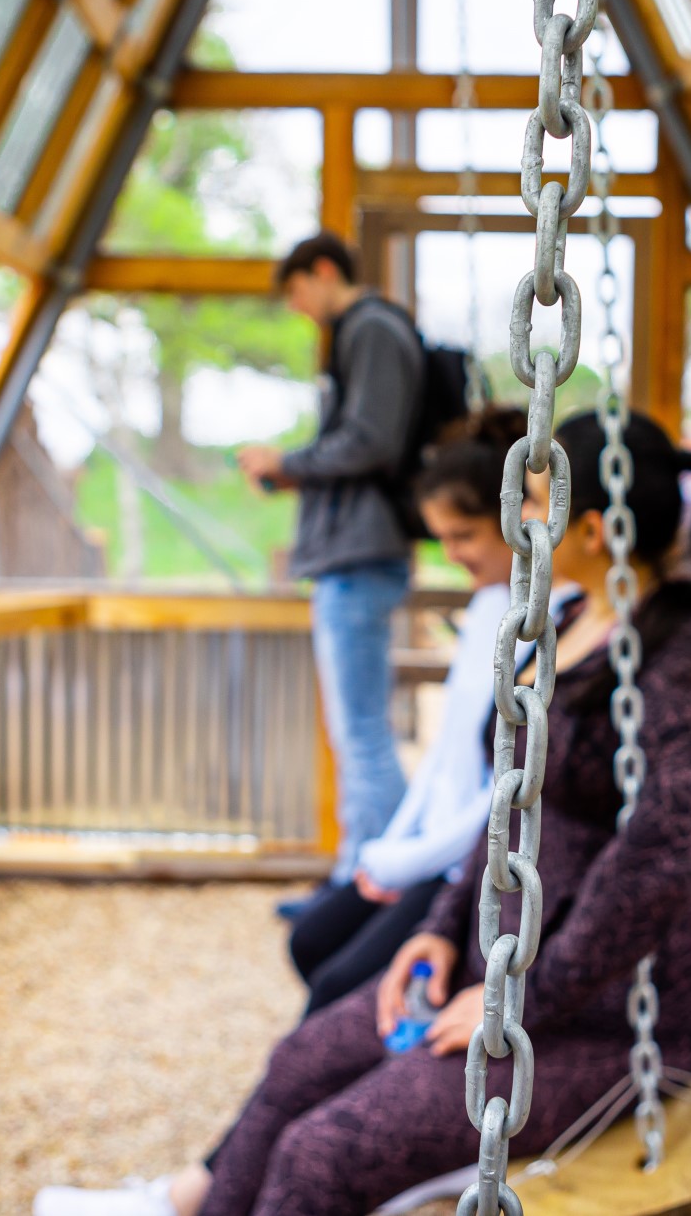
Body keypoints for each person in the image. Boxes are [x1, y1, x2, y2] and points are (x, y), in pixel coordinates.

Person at [36, 411, 691, 1216]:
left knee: (321, 1154)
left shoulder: (685, 655)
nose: (518, 523)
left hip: (605, 1013)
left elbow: (658, 866)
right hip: (504, 964)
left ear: (595, 529)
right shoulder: (570, 622)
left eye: (533, 502)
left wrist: (521, 1002)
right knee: (300, 1060)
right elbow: (507, 808)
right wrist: (439, 926)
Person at [286, 409, 531, 1015]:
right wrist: (389, 850)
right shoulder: (484, 611)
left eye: (464, 537)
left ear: (514, 520)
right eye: (441, 539)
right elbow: (446, 751)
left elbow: (509, 790)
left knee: (335, 985)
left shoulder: (534, 627)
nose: (451, 554)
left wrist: (408, 862)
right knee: (310, 940)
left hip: (466, 865)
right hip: (431, 851)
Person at [237, 233, 424, 907]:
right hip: (354, 551)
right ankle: (374, 871)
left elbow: (370, 440)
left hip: (358, 553)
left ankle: (368, 882)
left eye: (296, 292)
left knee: (362, 731)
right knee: (359, 730)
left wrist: (288, 462)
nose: (299, 308)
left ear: (321, 272)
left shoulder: (370, 328)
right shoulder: (367, 332)